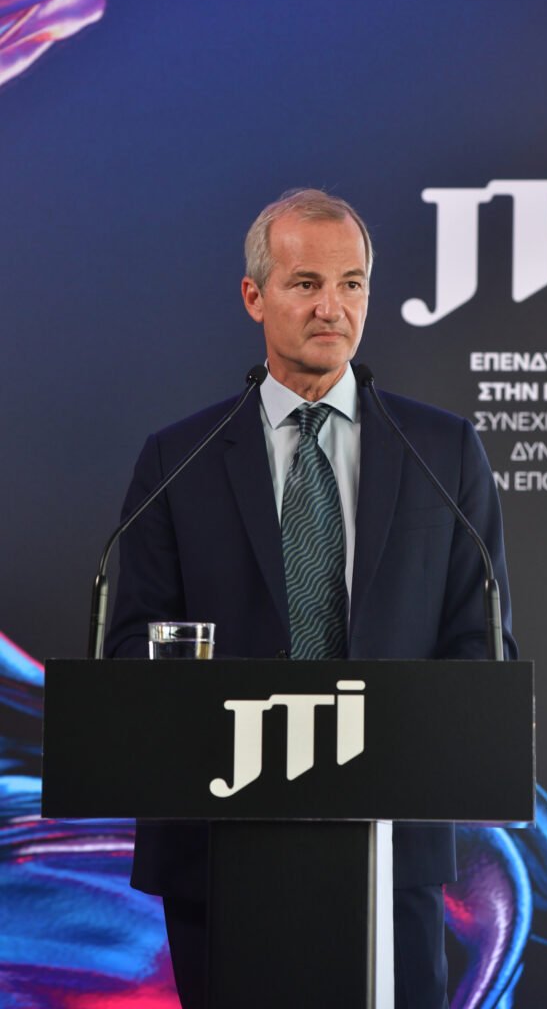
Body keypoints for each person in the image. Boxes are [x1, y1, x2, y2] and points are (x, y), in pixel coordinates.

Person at [105, 188, 516, 1008]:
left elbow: (482, 644)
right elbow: (132, 648)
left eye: (351, 283)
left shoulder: (441, 451)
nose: (333, 307)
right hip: (220, 847)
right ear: (253, 295)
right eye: (305, 284)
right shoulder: (178, 459)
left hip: (391, 846)